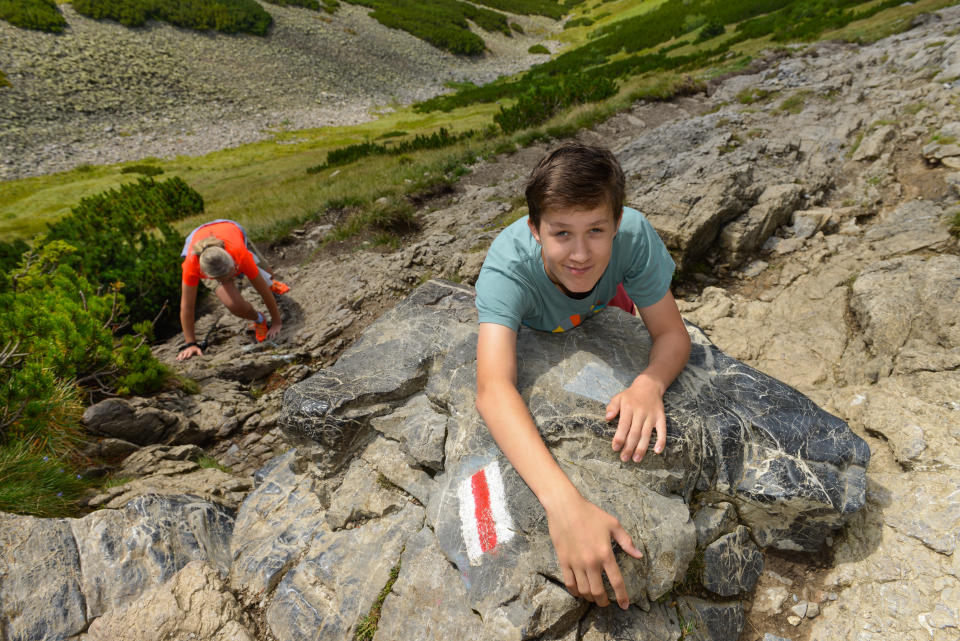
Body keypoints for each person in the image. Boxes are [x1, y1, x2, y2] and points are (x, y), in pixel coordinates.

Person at [474, 143, 691, 611]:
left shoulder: (633, 235)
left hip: (606, 306)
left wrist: (649, 383)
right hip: (540, 321)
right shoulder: (506, 270)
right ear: (534, 231)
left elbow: (672, 333)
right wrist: (565, 505)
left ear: (617, 224)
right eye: (561, 233)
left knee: (607, 305)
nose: (579, 252)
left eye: (596, 230)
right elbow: (493, 389)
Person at [177, 219, 290, 361]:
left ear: (233, 263)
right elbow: (187, 306)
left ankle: (272, 282)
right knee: (235, 305)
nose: (232, 277)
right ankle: (258, 319)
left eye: (233, 272)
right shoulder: (191, 266)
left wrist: (276, 322)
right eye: (224, 279)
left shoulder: (240, 253)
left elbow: (262, 291)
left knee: (267, 275)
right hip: (201, 243)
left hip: (229, 229)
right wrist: (190, 344)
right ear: (208, 275)